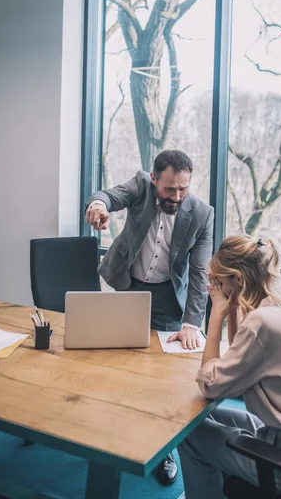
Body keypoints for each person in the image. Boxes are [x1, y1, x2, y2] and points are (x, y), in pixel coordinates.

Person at [85, 149, 214, 485]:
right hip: (130, 284)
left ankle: (164, 450)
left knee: (165, 377)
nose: (177, 196)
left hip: (170, 297)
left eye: (183, 189)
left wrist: (191, 323)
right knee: (122, 361)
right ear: (155, 179)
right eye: (170, 189)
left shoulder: (202, 213)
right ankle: (116, 429)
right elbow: (108, 196)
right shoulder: (141, 185)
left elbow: (200, 272)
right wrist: (97, 207)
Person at [178, 234, 281, 499]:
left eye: (218, 280)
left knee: (188, 436)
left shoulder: (261, 323)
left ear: (238, 280)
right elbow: (245, 355)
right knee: (197, 420)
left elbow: (210, 385)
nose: (215, 287)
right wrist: (232, 309)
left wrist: (216, 314)